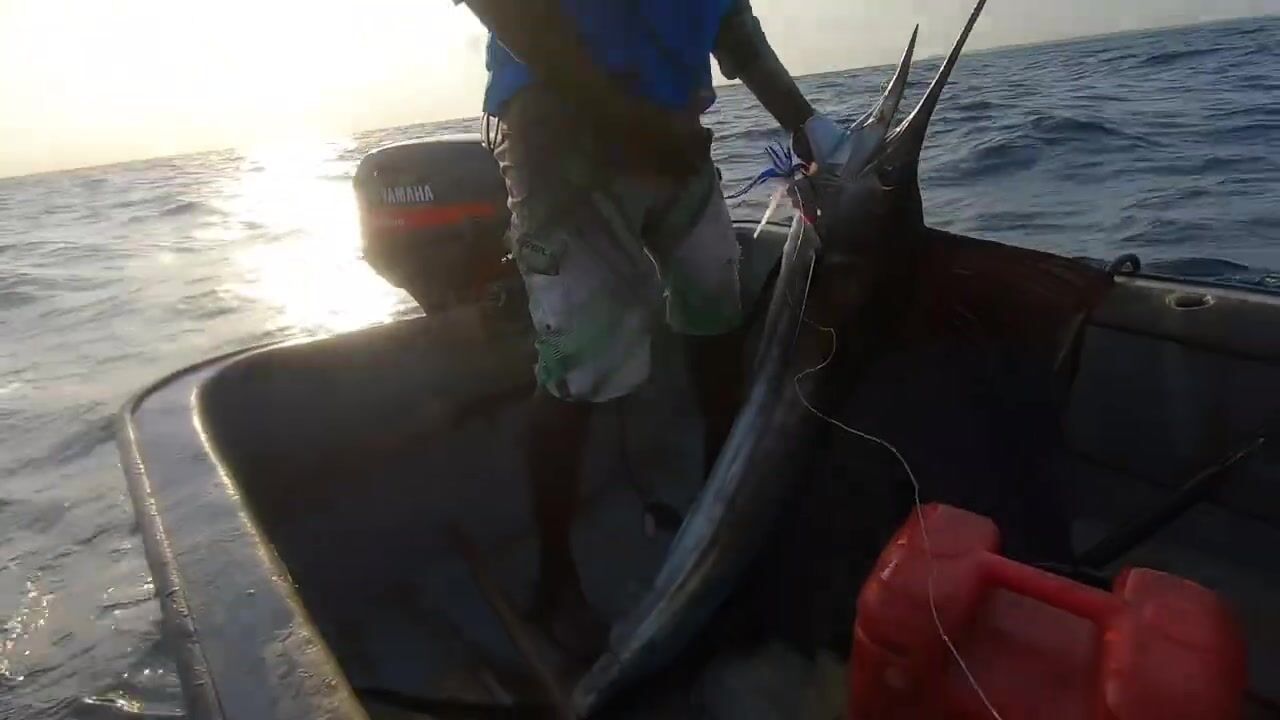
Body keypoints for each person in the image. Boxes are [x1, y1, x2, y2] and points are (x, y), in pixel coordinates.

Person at [452, 0, 848, 658]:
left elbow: (731, 25)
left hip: (675, 133)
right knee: (581, 368)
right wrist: (632, 123)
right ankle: (555, 583)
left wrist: (810, 125)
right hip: (559, 136)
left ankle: (722, 536)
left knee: (718, 312)